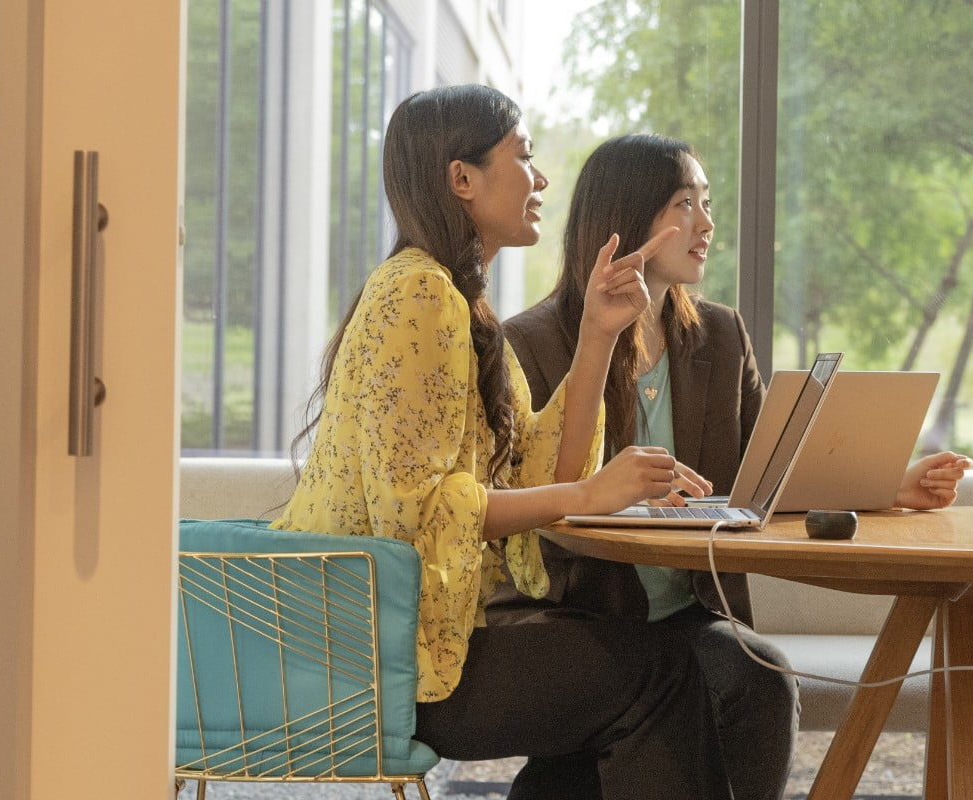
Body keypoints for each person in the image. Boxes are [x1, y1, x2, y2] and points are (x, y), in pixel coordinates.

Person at [272, 86, 735, 799]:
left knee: (654, 674)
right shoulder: (418, 295)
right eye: (522, 156)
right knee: (661, 674)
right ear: (463, 179)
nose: (542, 178)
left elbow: (532, 470)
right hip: (387, 658)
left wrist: (596, 337)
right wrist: (587, 493)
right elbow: (419, 508)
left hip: (414, 639)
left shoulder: (457, 298)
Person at [487, 133, 973, 800]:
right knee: (668, 693)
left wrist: (896, 485)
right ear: (628, 219)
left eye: (708, 203)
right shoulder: (530, 343)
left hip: (686, 609)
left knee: (761, 677)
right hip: (578, 612)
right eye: (685, 204)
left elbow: (767, 477)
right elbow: (526, 509)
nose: (707, 224)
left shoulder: (718, 335)